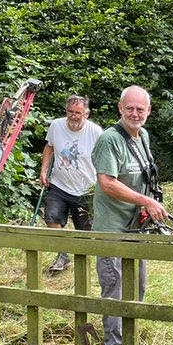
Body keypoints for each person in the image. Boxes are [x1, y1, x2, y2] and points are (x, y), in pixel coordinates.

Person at [91, 85, 168, 345]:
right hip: (112, 230)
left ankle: (130, 336)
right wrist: (145, 201)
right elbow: (107, 183)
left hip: (136, 227)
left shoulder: (143, 136)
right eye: (130, 108)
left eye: (140, 109)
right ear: (120, 109)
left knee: (138, 286)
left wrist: (151, 203)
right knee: (115, 287)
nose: (135, 113)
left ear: (148, 111)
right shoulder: (110, 140)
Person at [40, 95, 103, 273]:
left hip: (86, 188)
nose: (74, 116)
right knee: (51, 217)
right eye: (70, 112)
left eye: (78, 113)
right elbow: (49, 147)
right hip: (59, 184)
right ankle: (62, 255)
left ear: (87, 114)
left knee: (85, 230)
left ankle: (83, 260)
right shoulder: (56, 126)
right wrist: (44, 171)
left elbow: (104, 158)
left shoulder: (96, 132)